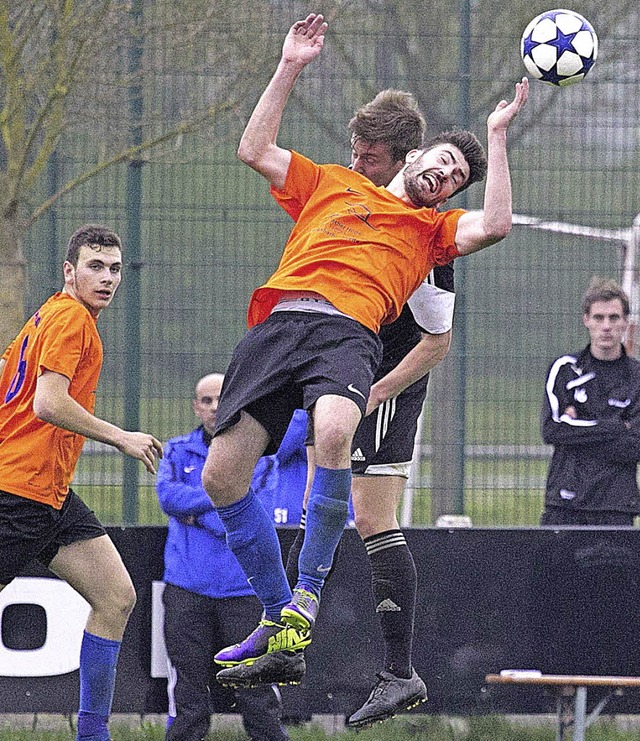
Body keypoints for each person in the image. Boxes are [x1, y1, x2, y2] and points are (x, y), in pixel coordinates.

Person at [204, 12, 527, 690]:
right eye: (445, 159)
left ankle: (308, 595)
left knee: (334, 432)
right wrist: (290, 65)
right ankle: (278, 618)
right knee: (221, 476)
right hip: (277, 321)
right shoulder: (332, 182)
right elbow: (252, 147)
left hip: (348, 330)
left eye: (459, 177)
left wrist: (495, 138)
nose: (449, 174)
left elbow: (496, 223)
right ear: (414, 156)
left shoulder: (431, 232)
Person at [280, 89, 455, 727]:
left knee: (371, 520)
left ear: (406, 161)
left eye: (373, 158)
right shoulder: (360, 199)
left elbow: (438, 341)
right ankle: (291, 638)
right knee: (321, 502)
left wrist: (379, 390)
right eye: (355, 153)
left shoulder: (427, 240)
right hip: (338, 372)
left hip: (375, 385)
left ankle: (396, 671)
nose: (359, 166)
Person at [0, 224, 163, 741]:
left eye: (115, 268)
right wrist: (122, 437)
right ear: (69, 271)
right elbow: (48, 402)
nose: (108, 278)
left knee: (115, 596)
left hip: (47, 495)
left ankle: (92, 734)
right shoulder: (72, 318)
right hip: (18, 494)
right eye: (95, 266)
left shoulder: (49, 312)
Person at [157, 373, 296, 741]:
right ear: (195, 406)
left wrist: (195, 511)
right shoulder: (176, 450)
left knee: (257, 692)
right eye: (206, 400)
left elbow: (259, 514)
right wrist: (225, 493)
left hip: (245, 590)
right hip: (187, 587)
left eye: (222, 398)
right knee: (188, 693)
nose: (215, 407)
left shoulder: (261, 456)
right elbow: (168, 498)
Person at [541, 277, 640, 526]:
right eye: (598, 318)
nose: (606, 326)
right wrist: (618, 427)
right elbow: (552, 430)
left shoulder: (637, 377)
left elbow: (635, 446)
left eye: (614, 318)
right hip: (565, 504)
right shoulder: (565, 369)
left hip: (616, 506)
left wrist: (577, 429)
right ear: (586, 320)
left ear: (626, 322)